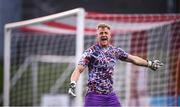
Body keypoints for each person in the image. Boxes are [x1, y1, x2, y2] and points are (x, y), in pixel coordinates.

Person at [68, 23, 163, 107]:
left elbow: (133, 59)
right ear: (97, 36)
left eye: (106, 33)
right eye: (101, 33)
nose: (104, 35)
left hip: (110, 95)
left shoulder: (115, 51)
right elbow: (78, 69)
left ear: (110, 36)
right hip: (94, 96)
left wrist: (149, 63)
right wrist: (73, 83)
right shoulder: (90, 52)